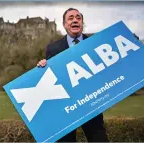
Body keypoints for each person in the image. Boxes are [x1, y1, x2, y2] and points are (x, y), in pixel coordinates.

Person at [37, 8, 109, 142]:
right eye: (70, 18)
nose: (75, 20)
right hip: (66, 108)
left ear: (82, 23)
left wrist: (131, 40)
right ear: (64, 24)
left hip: (91, 103)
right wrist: (42, 66)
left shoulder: (96, 43)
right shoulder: (53, 48)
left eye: (78, 18)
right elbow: (50, 78)